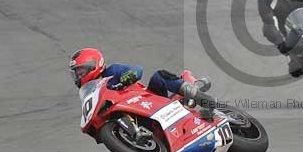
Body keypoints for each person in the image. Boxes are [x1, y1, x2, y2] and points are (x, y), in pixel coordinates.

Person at [68, 48, 213, 114]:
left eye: (81, 71)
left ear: (93, 65)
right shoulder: (90, 94)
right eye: (76, 73)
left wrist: (127, 77)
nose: (79, 76)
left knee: (159, 76)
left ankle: (204, 100)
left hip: (149, 99)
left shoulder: (112, 71)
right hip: (131, 113)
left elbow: (137, 70)